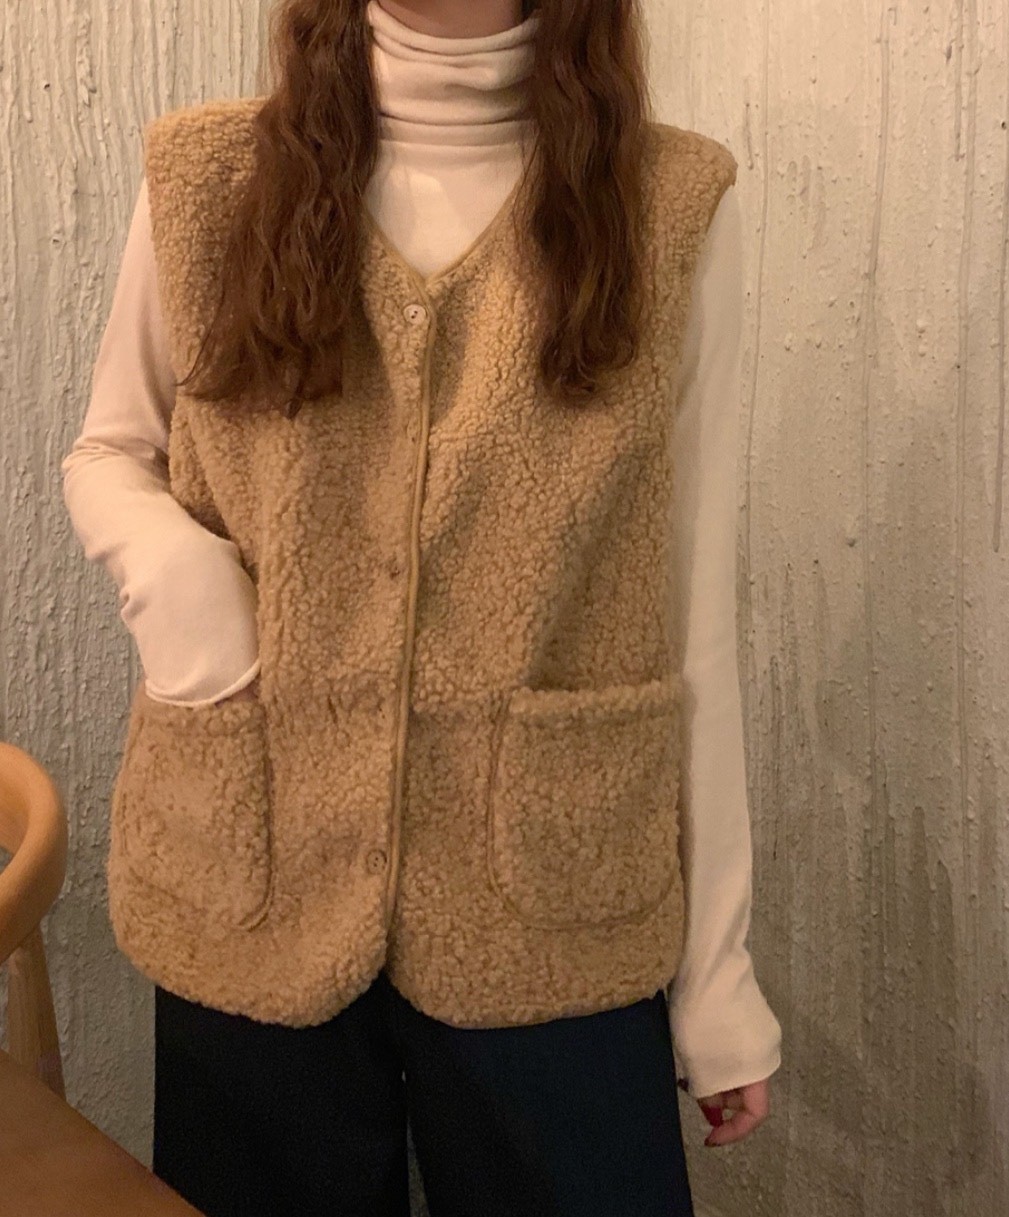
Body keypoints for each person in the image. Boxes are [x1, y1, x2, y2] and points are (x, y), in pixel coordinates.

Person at [60, 1, 782, 1213]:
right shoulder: (205, 179)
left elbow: (691, 598)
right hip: (257, 867)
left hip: (550, 898)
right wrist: (187, 594)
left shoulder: (668, 205)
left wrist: (717, 972)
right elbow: (110, 452)